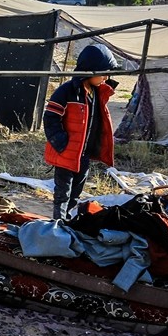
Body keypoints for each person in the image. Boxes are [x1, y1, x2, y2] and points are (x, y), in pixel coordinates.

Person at [43, 43, 120, 219]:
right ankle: (59, 223)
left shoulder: (97, 92)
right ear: (90, 71)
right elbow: (50, 117)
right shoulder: (68, 91)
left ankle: (68, 219)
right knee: (63, 192)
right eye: (103, 72)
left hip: (84, 153)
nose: (106, 77)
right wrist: (61, 142)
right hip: (66, 152)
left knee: (76, 191)